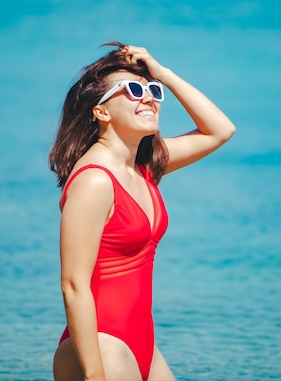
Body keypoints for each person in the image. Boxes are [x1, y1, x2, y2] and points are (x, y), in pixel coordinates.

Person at [49, 42, 235, 381]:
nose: (148, 97)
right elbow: (73, 284)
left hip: (143, 345)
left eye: (152, 90)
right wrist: (95, 375)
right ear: (101, 111)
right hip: (101, 346)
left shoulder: (143, 168)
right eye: (133, 90)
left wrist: (162, 73)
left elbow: (220, 130)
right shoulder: (94, 181)